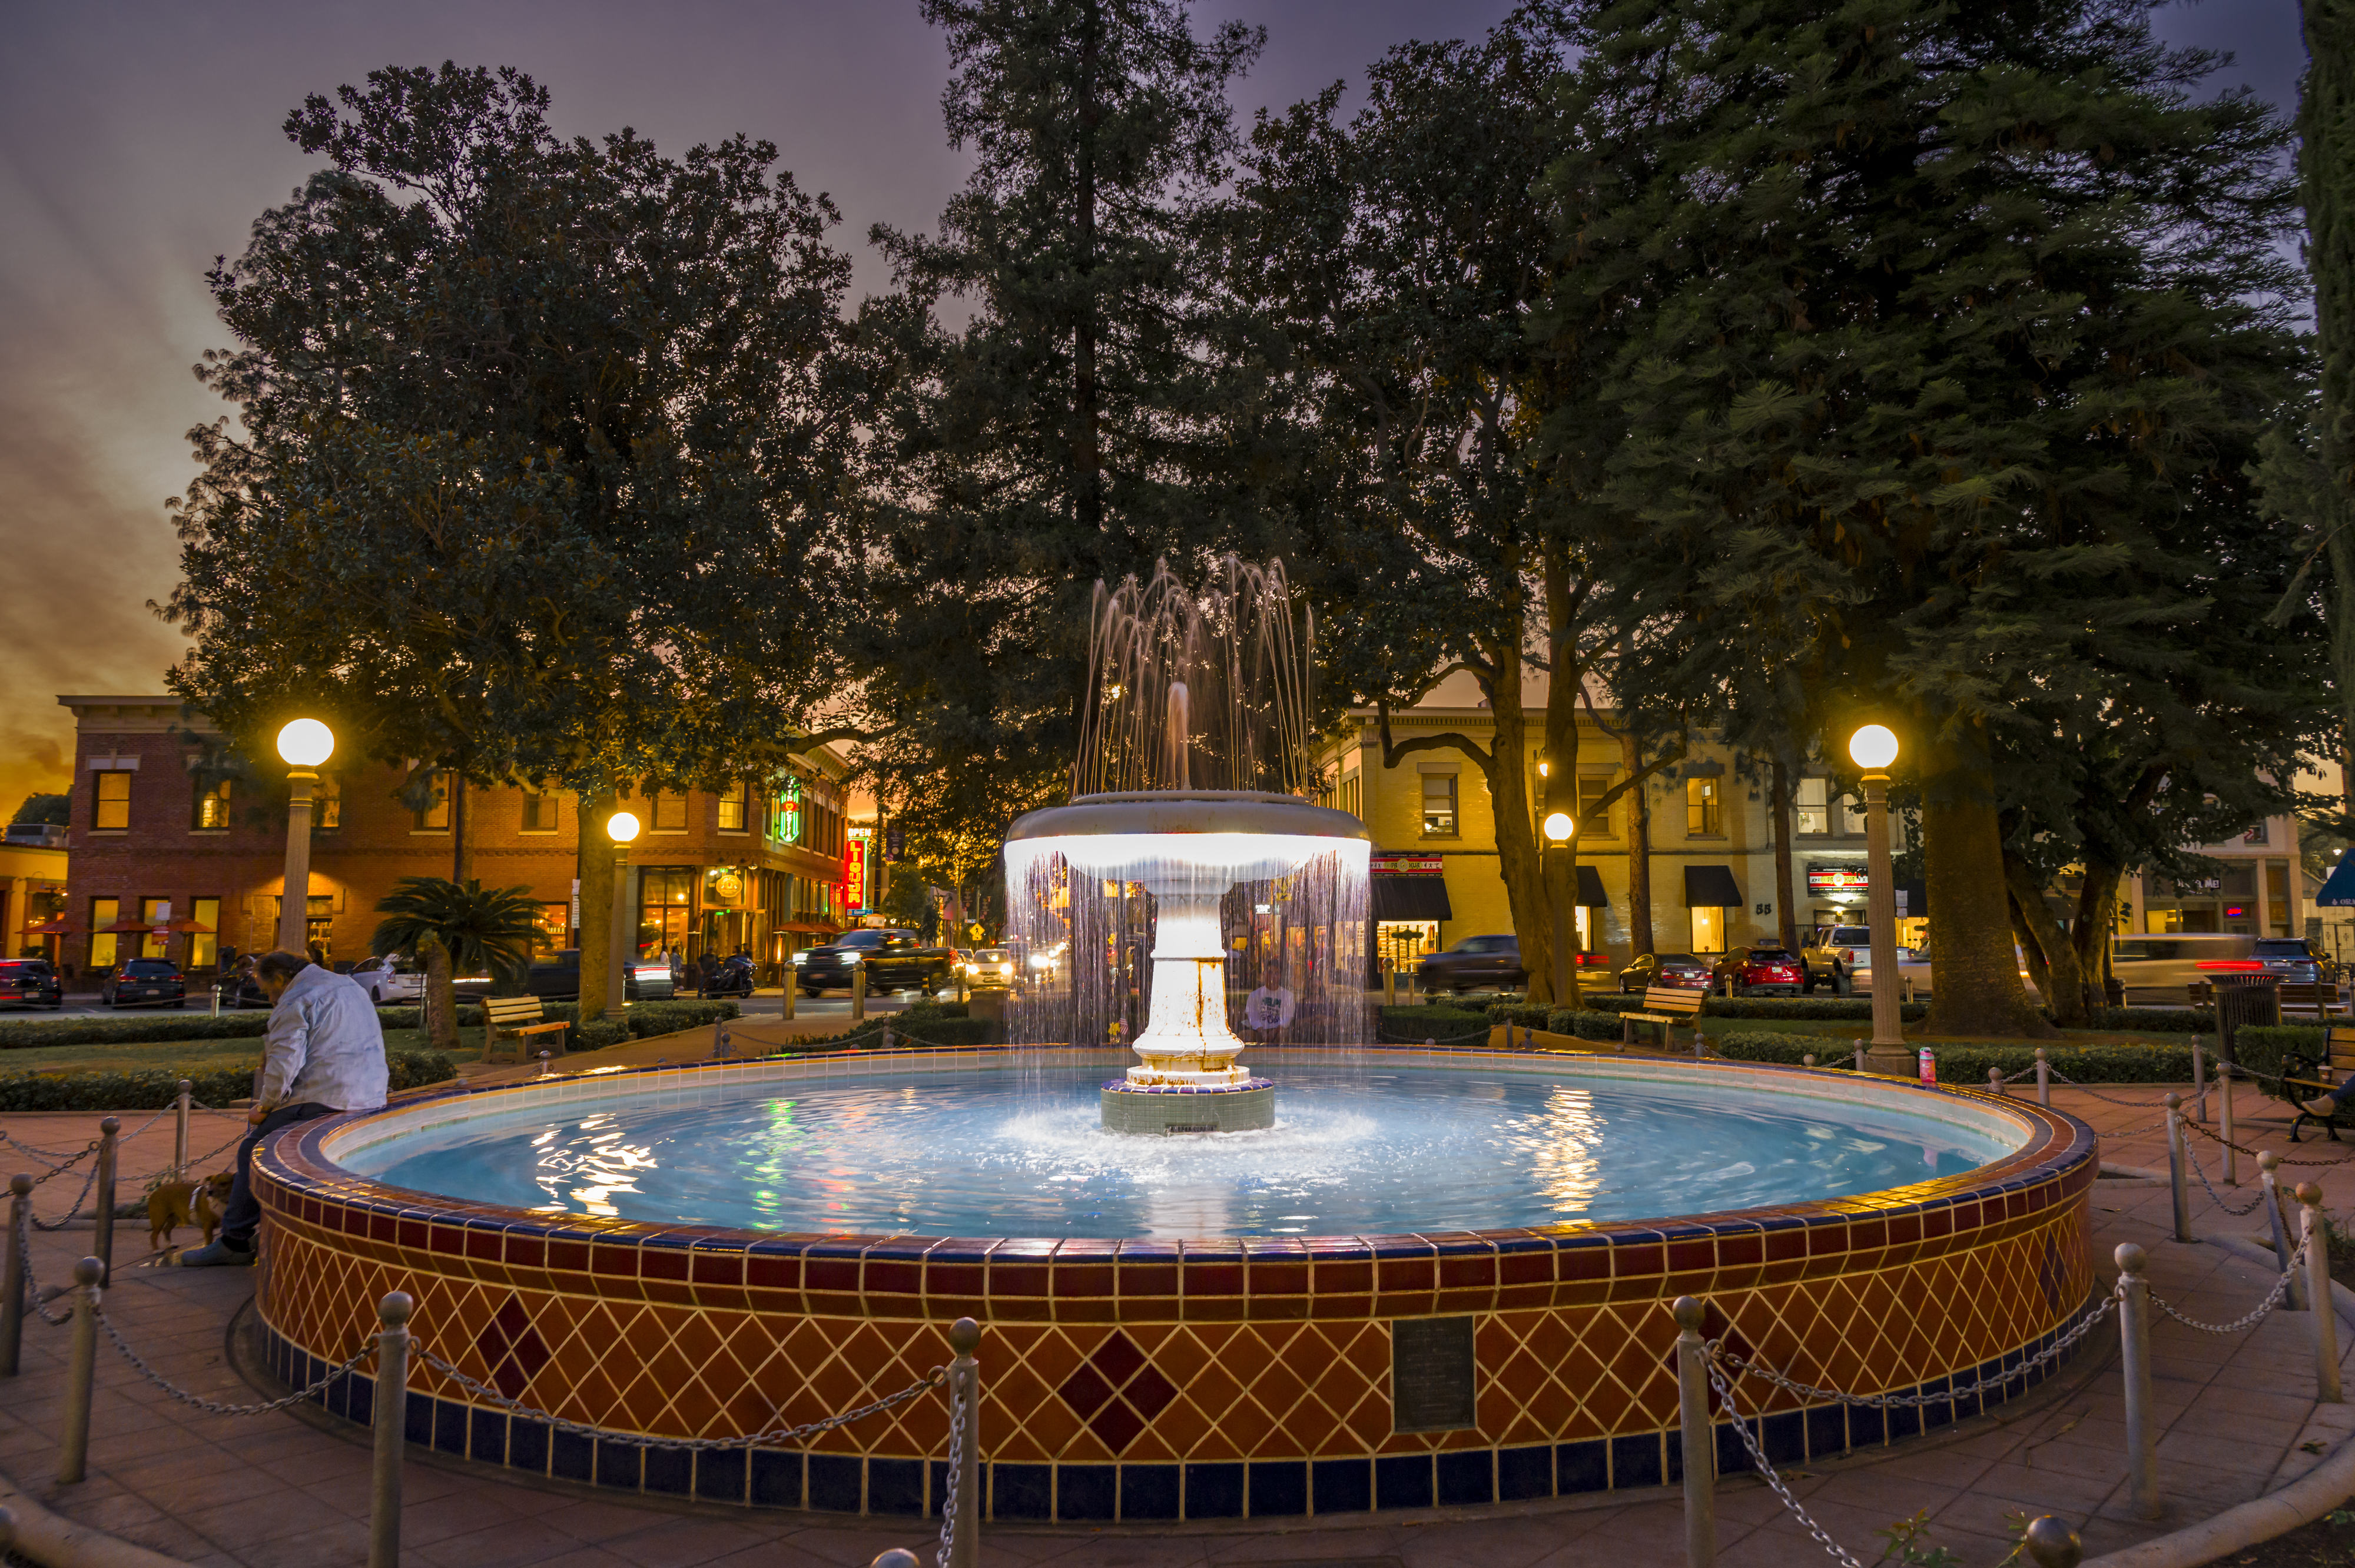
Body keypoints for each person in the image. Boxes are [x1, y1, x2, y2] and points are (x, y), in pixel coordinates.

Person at [180, 949, 389, 1267]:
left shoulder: (296, 999)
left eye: (269, 991)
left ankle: (234, 1241)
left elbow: (284, 1063)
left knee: (253, 1151)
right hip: (370, 1095)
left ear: (281, 978)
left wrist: (264, 1107)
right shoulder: (349, 986)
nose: (271, 999)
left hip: (324, 1097)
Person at [1243, 967, 1296, 1039]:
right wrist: (1261, 1031)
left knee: (1283, 1036)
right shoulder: (1254, 995)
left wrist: (1275, 1032)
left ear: (1280, 976)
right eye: (1270, 973)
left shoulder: (1288, 996)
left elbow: (1287, 1018)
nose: (1273, 976)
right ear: (1264, 974)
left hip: (1279, 1031)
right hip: (1258, 1031)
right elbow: (1252, 1017)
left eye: (1276, 973)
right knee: (1245, 1035)